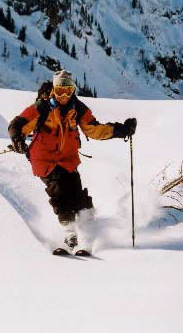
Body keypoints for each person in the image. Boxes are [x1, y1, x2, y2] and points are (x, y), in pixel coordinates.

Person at [8, 69, 137, 250]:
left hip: (67, 158)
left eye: (68, 91)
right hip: (44, 159)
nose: (63, 96)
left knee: (76, 193)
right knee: (59, 191)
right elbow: (18, 124)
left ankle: (89, 227)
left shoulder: (77, 108)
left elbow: (94, 129)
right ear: (54, 89)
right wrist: (18, 140)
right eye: (60, 91)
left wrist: (121, 130)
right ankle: (69, 232)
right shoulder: (42, 107)